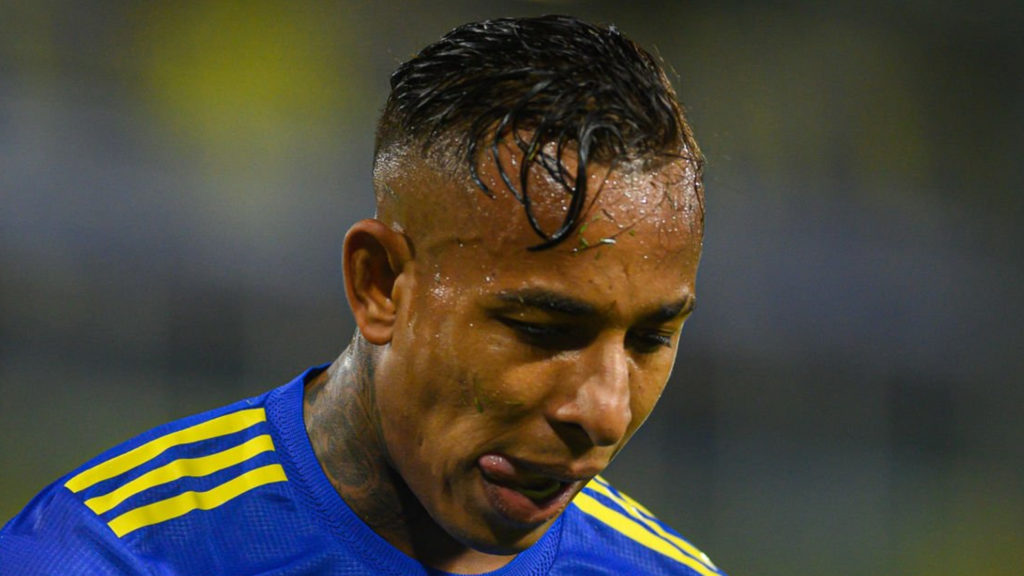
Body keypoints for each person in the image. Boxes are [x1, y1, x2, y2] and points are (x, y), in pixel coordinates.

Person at [0, 14, 724, 576]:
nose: (604, 412)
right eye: (540, 329)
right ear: (379, 284)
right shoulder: (103, 557)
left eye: (651, 339)